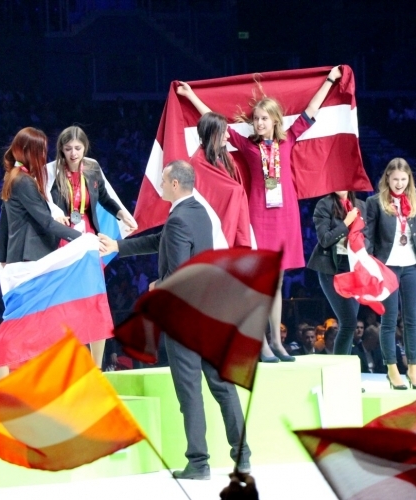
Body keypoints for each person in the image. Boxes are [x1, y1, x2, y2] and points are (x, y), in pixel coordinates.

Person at [176, 65, 342, 362]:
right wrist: (190, 96)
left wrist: (330, 80)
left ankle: (277, 342)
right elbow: (216, 120)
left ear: (275, 120)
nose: (259, 122)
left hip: (285, 216)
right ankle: (261, 344)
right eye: (256, 118)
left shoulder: (288, 139)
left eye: (264, 118)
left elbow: (311, 111)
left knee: (277, 282)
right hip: (257, 217)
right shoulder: (245, 144)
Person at [99, 160, 251, 480]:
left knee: (190, 391)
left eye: (164, 179)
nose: (160, 183)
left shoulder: (179, 218)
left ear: (175, 185)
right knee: (222, 386)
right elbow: (161, 241)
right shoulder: (195, 212)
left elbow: (179, 272)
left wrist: (158, 286)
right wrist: (119, 247)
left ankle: (198, 462)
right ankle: (243, 455)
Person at [0, 127, 82, 379]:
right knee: (32, 321)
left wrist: (2, 257)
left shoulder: (14, 176)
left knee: (29, 320)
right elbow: (45, 223)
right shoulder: (23, 181)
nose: (45, 154)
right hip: (30, 259)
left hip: (20, 257)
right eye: (42, 149)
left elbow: (5, 222)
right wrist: (82, 239)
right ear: (31, 150)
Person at [51, 125, 137, 368]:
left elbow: (106, 198)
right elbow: (44, 202)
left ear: (85, 148)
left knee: (95, 301)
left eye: (78, 148)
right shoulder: (53, 172)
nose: (74, 153)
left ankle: (97, 367)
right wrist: (55, 211)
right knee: (66, 304)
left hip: (89, 241)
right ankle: (67, 363)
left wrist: (121, 213)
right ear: (62, 150)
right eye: (68, 149)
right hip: (64, 241)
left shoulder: (92, 167)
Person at [365, 158, 416, 390]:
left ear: (409, 180)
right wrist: (369, 264)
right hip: (387, 267)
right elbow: (369, 237)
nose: (399, 184)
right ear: (387, 178)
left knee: (412, 321)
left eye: (404, 180)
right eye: (395, 179)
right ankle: (392, 369)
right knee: (389, 320)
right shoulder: (374, 202)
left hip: (412, 266)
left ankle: (413, 370)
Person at [308, 191, 366, 354]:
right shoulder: (324, 205)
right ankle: (340, 365)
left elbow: (369, 236)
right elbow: (325, 239)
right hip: (331, 267)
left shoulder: (361, 205)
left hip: (354, 267)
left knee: (350, 324)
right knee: (349, 321)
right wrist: (346, 223)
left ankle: (343, 364)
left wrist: (361, 242)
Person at [190, 112, 251, 249]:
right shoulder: (198, 163)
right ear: (212, 133)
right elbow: (230, 191)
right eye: (224, 132)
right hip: (213, 229)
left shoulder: (226, 157)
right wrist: (236, 191)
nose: (228, 136)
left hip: (234, 217)